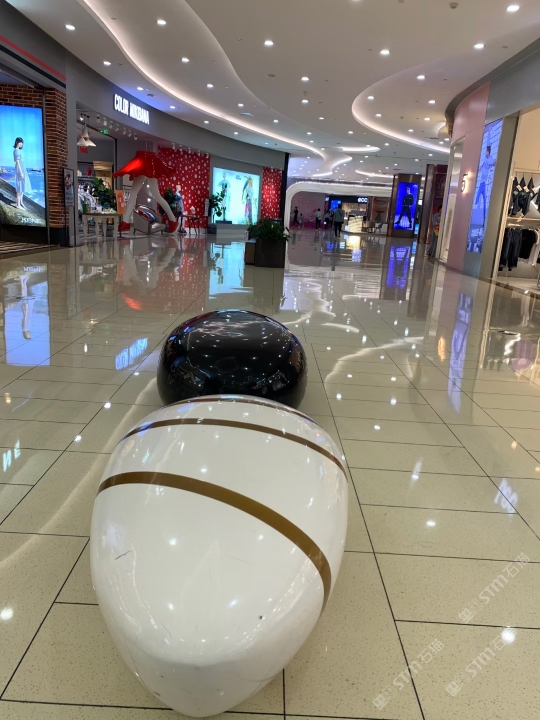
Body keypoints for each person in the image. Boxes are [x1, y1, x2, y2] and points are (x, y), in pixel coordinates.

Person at [476, 145, 496, 229]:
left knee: (485, 202)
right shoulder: (485, 159)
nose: (485, 153)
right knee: (477, 200)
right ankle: (481, 220)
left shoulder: (490, 159)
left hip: (486, 183)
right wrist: (478, 170)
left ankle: (485, 220)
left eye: (486, 151)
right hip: (481, 183)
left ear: (488, 151)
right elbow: (482, 166)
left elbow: (494, 163)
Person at [13, 137, 29, 210]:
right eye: (20, 142)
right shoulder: (16, 151)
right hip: (20, 170)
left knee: (22, 187)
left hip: (22, 169)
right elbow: (17, 162)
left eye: (22, 143)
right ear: (17, 142)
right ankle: (18, 204)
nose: (21, 144)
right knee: (19, 188)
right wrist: (21, 172)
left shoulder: (18, 150)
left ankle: (21, 202)